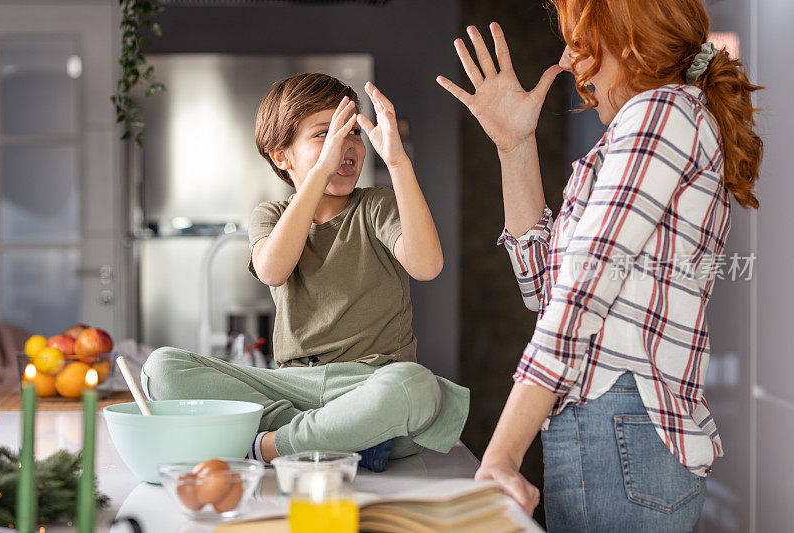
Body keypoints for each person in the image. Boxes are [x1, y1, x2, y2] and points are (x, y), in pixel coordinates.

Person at [437, 0, 761, 530]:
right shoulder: (656, 122)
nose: (567, 58)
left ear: (624, 34)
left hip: (621, 424)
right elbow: (549, 293)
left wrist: (501, 454)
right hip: (613, 426)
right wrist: (514, 147)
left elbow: (580, 293)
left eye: (579, 40)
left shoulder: (661, 116)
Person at [141, 73, 469, 472]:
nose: (344, 146)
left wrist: (397, 162)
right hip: (293, 388)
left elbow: (427, 265)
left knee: (414, 386)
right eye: (324, 135)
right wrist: (318, 174)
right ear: (282, 156)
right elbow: (273, 270)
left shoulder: (376, 205)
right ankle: (343, 439)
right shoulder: (271, 215)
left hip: (367, 383)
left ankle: (274, 446)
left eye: (352, 134)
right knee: (161, 368)